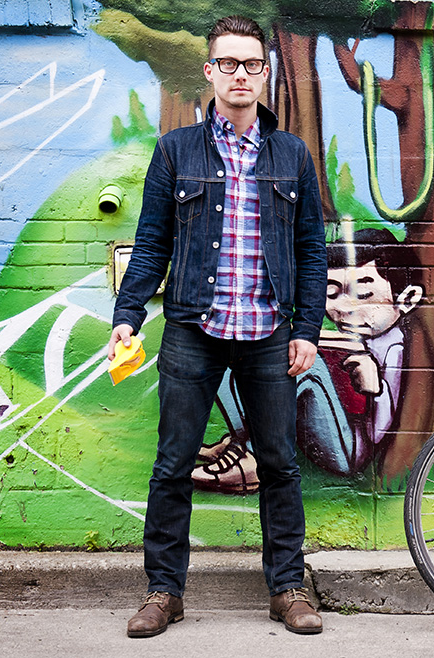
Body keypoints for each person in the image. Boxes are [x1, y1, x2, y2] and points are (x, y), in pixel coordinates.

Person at [106, 15, 327, 638]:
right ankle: (163, 592)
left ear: (265, 72)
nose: (239, 75)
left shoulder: (291, 154)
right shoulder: (177, 151)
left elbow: (311, 248)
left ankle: (288, 587)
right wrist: (126, 316)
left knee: (280, 465)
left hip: (268, 334)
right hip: (192, 331)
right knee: (173, 462)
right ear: (209, 72)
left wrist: (306, 329)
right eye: (227, 64)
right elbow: (153, 243)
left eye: (251, 64)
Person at [193, 229, 422, 487]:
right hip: (317, 426)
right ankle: (242, 443)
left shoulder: (393, 347)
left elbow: (381, 432)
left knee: (307, 367)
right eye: (332, 293)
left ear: (407, 299)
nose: (345, 307)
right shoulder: (344, 336)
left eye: (363, 295)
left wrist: (375, 389)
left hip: (350, 448)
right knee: (232, 355)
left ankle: (254, 458)